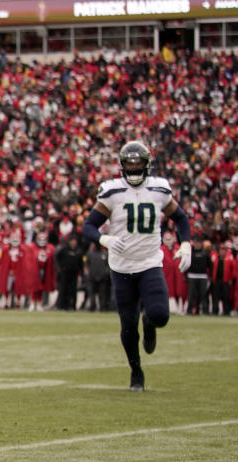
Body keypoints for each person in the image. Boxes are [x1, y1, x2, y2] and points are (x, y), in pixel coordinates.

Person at [82, 140, 192, 391]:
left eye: (138, 163)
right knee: (127, 324)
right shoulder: (112, 192)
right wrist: (104, 238)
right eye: (129, 164)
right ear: (122, 166)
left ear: (147, 164)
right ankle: (136, 371)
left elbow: (181, 218)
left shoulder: (159, 189)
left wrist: (185, 244)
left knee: (160, 315)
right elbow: (88, 226)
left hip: (149, 262)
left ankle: (150, 323)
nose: (134, 168)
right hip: (121, 267)